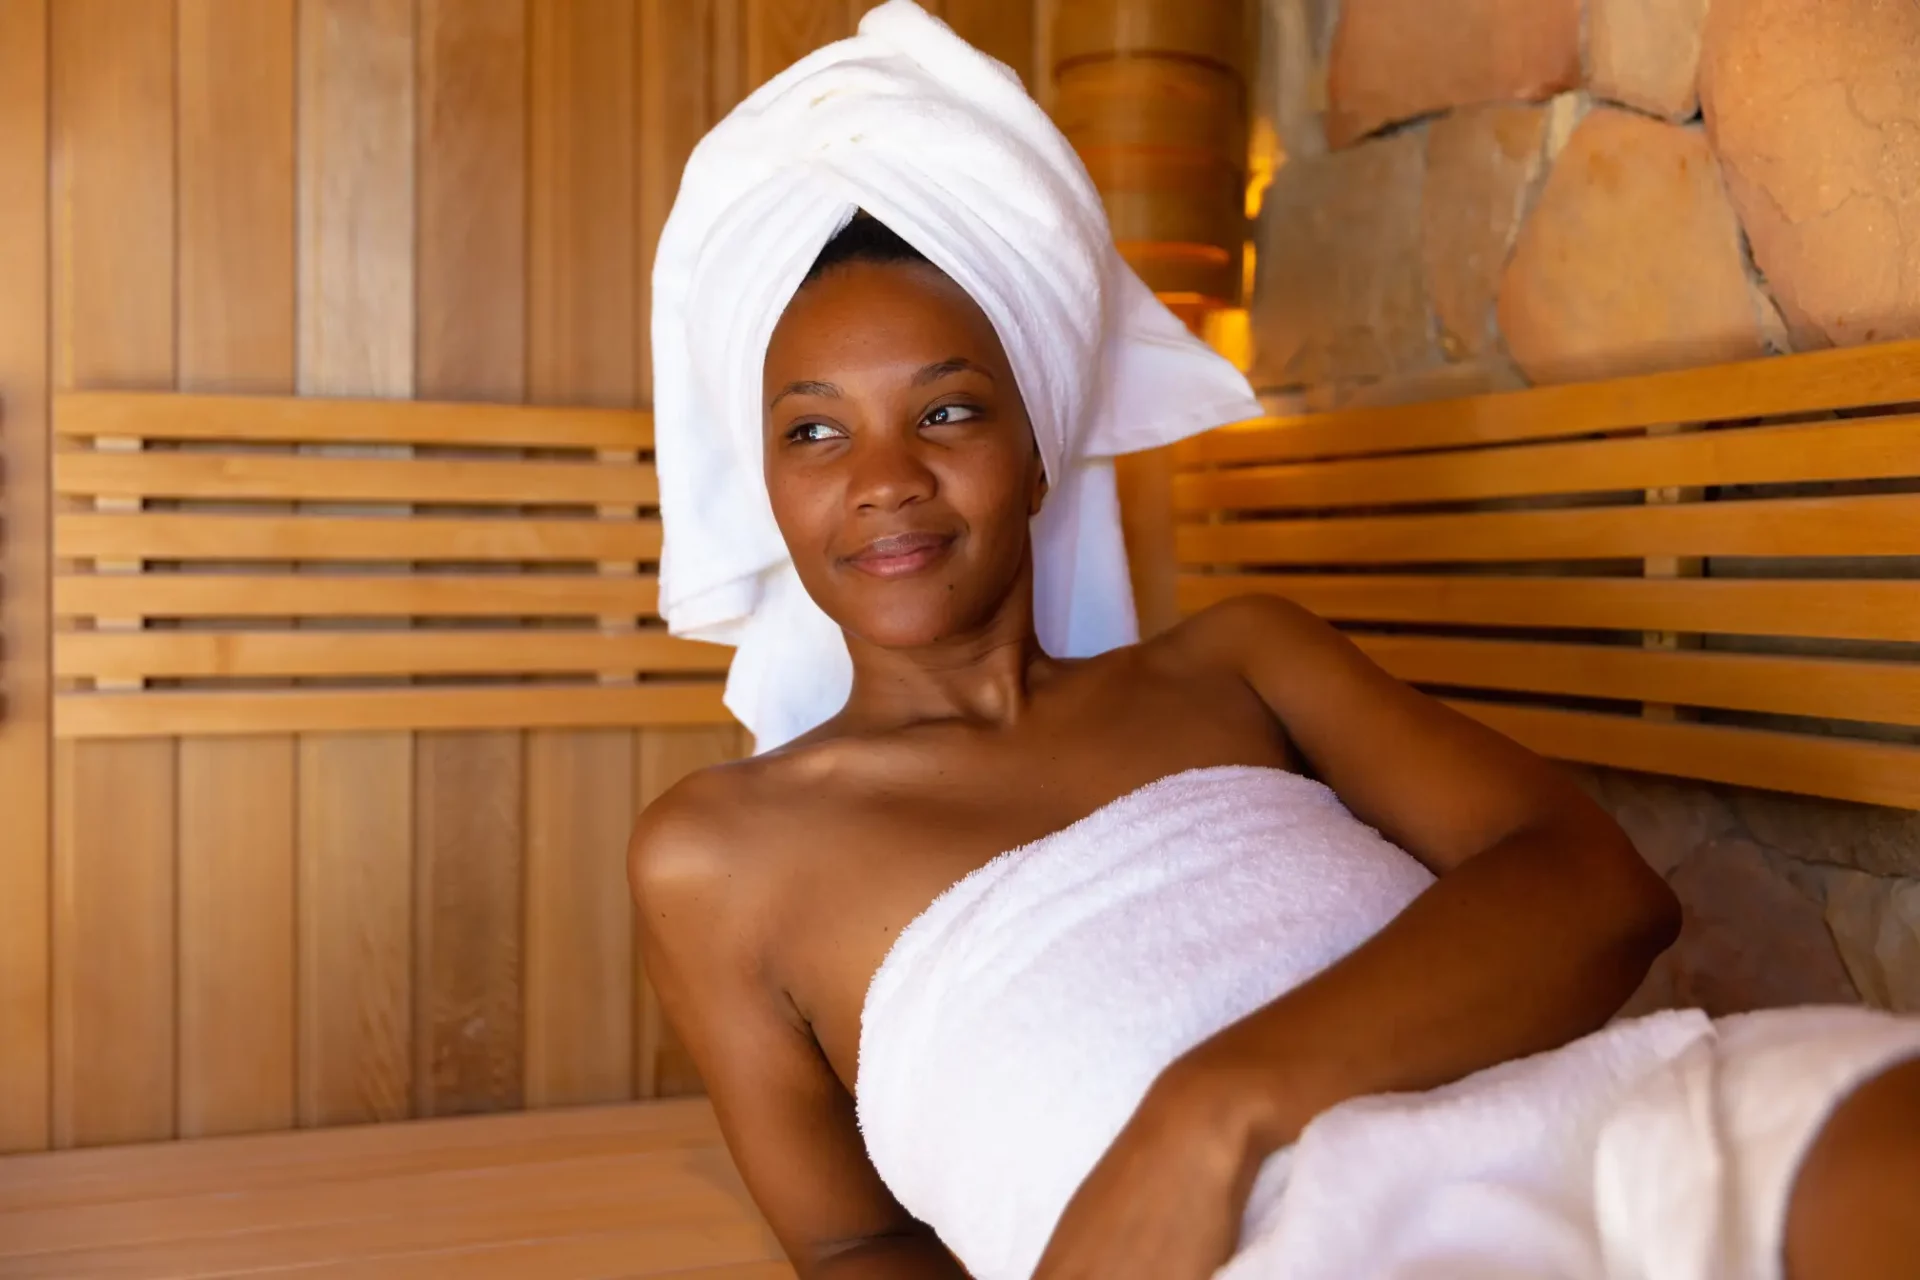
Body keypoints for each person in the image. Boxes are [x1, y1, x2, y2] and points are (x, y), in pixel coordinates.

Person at [632, 7, 1920, 1279]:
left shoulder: (1239, 665)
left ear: (1037, 458)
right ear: (767, 487)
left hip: (1625, 1137)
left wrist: (1212, 1117)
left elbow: (1598, 891)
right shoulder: (721, 858)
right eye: (814, 432)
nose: (882, 478)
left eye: (949, 409)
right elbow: (856, 1240)